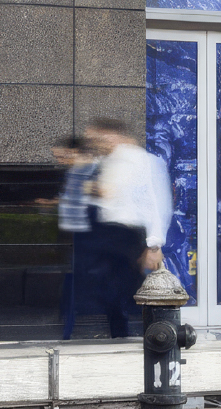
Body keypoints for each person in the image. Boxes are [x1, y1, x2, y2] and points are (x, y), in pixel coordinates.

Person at [85, 117, 172, 338]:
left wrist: (154, 244)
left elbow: (156, 202)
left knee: (132, 292)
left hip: (129, 235)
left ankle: (156, 336)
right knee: (110, 292)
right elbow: (109, 197)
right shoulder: (108, 162)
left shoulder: (143, 161)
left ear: (114, 134)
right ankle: (121, 336)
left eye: (99, 138)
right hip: (108, 234)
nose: (97, 143)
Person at [53, 135, 99, 340]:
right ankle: (67, 320)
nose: (60, 160)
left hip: (85, 234)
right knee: (70, 276)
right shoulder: (74, 171)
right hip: (71, 232)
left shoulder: (93, 170)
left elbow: (94, 200)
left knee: (77, 278)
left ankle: (70, 325)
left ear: (75, 152)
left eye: (62, 155)